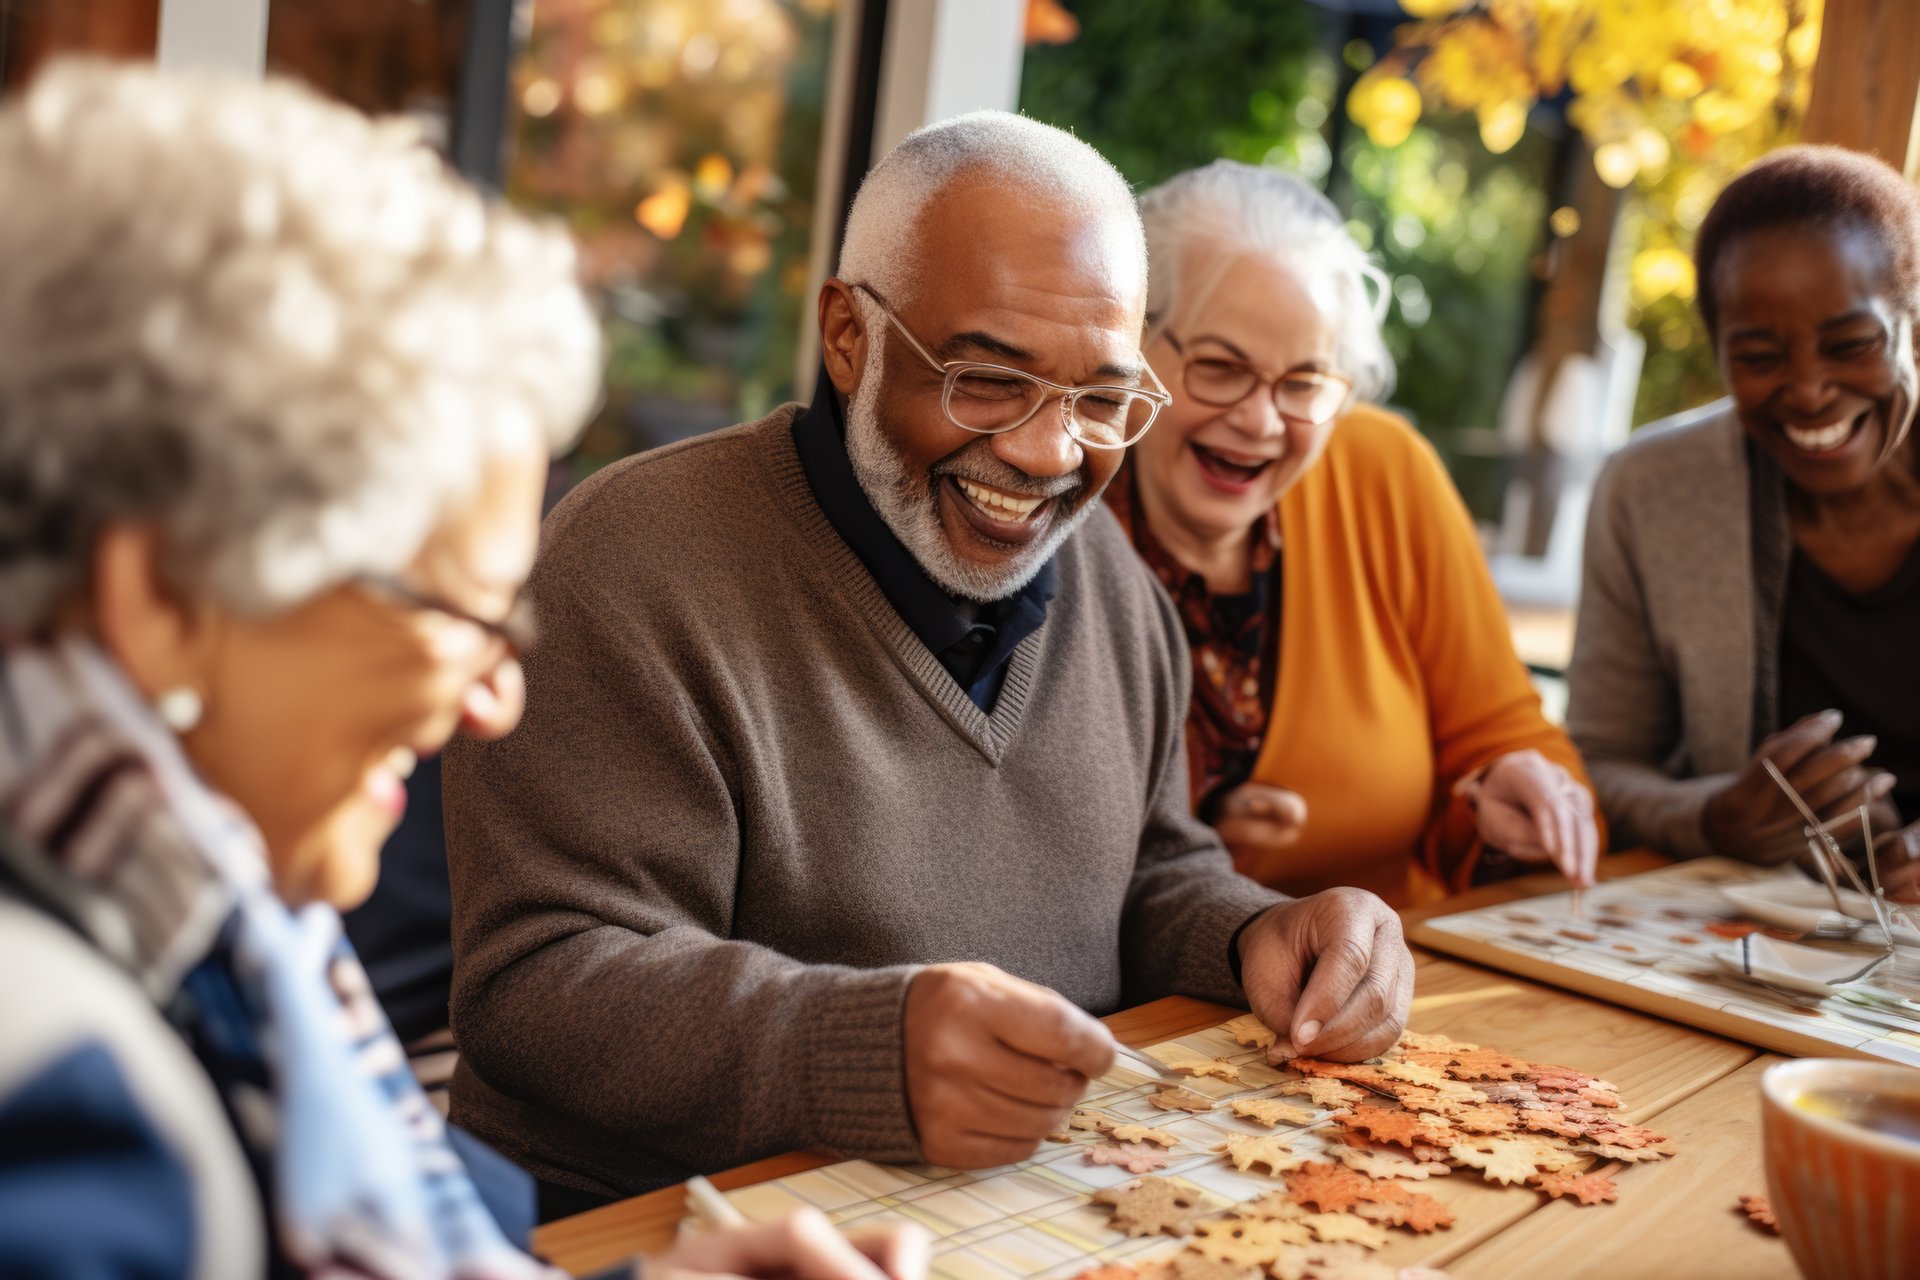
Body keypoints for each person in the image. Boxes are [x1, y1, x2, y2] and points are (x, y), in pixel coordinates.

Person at [0, 61, 925, 1280]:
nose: (499, 696)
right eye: (457, 612)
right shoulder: (60, 1120)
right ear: (166, 599)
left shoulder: (214, 919)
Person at [442, 113, 1416, 1209]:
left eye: (1101, 398)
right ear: (849, 335)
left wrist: (1252, 931)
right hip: (663, 1227)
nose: (1050, 453)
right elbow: (539, 981)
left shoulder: (1116, 585)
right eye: (988, 380)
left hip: (1020, 1206)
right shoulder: (629, 558)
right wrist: (865, 1048)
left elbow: (1144, 869)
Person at [1106, 160, 1600, 907]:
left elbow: (1503, 737)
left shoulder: (1384, 474)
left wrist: (1504, 805)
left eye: (1302, 383)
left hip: (1380, 988)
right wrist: (1194, 859)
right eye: (1219, 368)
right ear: (1132, 344)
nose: (1261, 421)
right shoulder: (1061, 501)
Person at [1567, 144, 1920, 897]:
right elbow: (1598, 761)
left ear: (1913, 319)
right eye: (1760, 356)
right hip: (1752, 933)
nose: (1810, 391)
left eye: (1851, 344)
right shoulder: (1651, 490)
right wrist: (1714, 816)